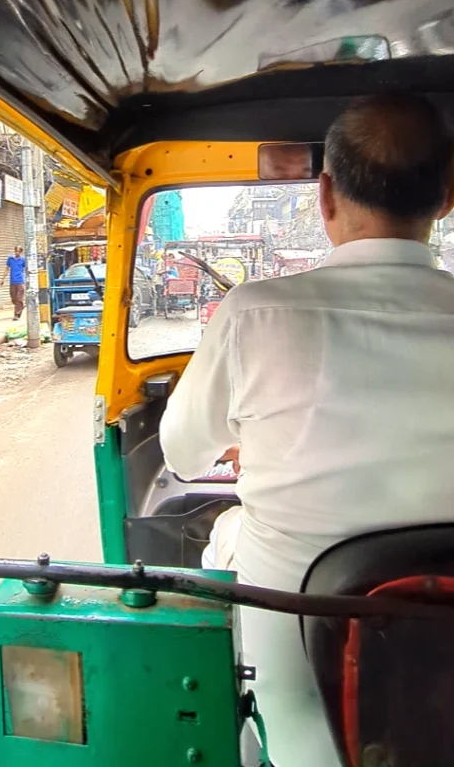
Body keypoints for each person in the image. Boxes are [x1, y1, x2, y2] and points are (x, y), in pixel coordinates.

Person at [160, 93, 454, 767]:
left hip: (302, 716)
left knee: (224, 540)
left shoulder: (255, 316)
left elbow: (180, 454)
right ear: (445, 195)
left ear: (324, 197)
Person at [0, 245, 26, 320]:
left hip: (20, 281)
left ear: (21, 252)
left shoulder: (23, 259)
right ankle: (20, 306)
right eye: (16, 251)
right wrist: (3, 279)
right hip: (12, 281)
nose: (17, 252)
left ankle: (17, 315)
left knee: (19, 298)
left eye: (18, 251)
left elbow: (26, 269)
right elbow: (7, 269)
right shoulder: (10, 259)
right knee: (13, 298)